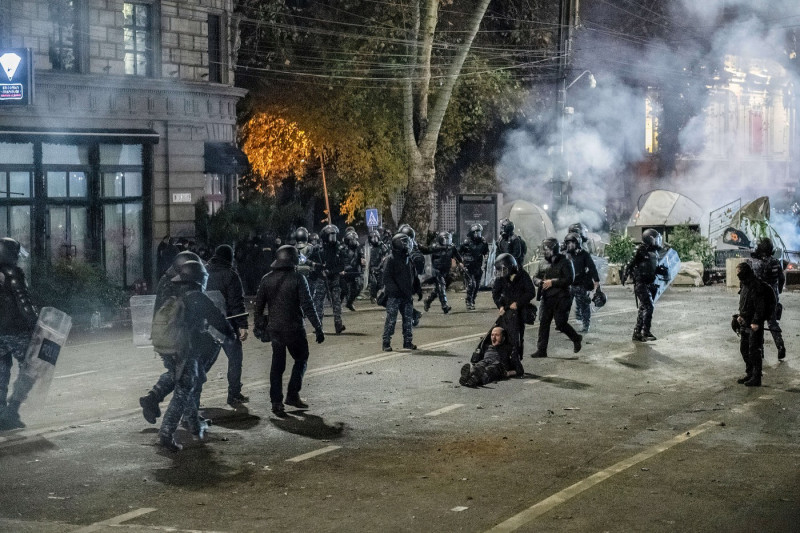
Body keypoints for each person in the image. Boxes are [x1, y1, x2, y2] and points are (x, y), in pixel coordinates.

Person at [157, 260, 235, 451]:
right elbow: (219, 319)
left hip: (169, 350)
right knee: (183, 391)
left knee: (189, 385)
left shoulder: (175, 297)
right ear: (199, 279)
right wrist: (231, 335)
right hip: (186, 351)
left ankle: (194, 423)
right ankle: (166, 433)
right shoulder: (199, 298)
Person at [253, 245, 325, 417]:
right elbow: (308, 305)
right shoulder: (299, 278)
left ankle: (276, 402)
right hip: (294, 329)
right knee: (301, 358)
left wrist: (259, 326)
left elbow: (258, 307)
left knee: (277, 366)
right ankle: (293, 394)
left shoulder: (266, 279)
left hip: (275, 329)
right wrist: (318, 327)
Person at [0, 238, 39, 431]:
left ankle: (1, 413)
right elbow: (23, 303)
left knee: (1, 372)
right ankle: (12, 410)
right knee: (31, 368)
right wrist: (36, 325)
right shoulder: (13, 273)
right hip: (17, 331)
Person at [206, 244, 250, 407]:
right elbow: (236, 303)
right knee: (235, 358)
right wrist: (242, 325)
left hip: (206, 325)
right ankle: (234, 394)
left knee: (204, 363)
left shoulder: (204, 272)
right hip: (226, 326)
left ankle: (191, 395)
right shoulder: (231, 275)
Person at [531, 238, 582, 358]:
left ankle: (576, 338)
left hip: (561, 297)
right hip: (547, 297)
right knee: (544, 323)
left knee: (560, 323)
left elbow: (569, 279)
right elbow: (535, 277)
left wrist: (552, 282)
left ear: (554, 249)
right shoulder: (542, 262)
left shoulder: (565, 261)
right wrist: (539, 282)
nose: (545, 252)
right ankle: (541, 350)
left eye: (547, 249)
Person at [491, 253, 535, 375]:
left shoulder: (522, 275)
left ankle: (517, 363)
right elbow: (495, 293)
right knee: (504, 335)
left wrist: (518, 303)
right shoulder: (501, 278)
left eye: (504, 269)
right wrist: (499, 306)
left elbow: (531, 292)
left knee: (517, 338)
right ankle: (507, 362)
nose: (501, 272)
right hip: (506, 310)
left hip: (519, 311)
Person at [734, 262, 776, 387]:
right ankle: (750, 373)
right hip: (745, 321)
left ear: (744, 271)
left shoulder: (756, 285)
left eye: (739, 271)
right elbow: (744, 302)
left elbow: (760, 306)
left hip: (754, 324)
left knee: (754, 351)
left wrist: (757, 321)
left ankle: (756, 377)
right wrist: (740, 315)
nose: (737, 274)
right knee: (744, 349)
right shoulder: (745, 284)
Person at [623, 229, 664, 342]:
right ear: (650, 238)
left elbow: (652, 268)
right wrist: (625, 275)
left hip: (649, 283)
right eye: (656, 239)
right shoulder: (640, 249)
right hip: (641, 283)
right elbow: (630, 263)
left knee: (643, 308)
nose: (658, 241)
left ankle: (637, 333)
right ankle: (645, 332)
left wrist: (661, 271)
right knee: (648, 306)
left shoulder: (654, 253)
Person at [749, 238, 786, 360]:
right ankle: (780, 346)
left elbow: (753, 281)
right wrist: (778, 291)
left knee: (758, 324)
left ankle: (760, 351)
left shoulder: (757, 263)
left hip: (760, 299)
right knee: (773, 323)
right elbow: (781, 278)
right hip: (773, 298)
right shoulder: (775, 262)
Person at [381, 233, 417, 352]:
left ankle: (408, 342)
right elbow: (386, 278)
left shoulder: (408, 259)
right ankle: (386, 342)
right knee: (391, 320)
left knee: (408, 320)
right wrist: (394, 290)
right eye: (405, 242)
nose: (408, 245)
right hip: (394, 296)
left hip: (406, 296)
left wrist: (417, 288)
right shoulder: (391, 259)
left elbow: (413, 275)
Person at [564, 232, 600, 333]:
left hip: (581, 285)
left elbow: (592, 268)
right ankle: (562, 323)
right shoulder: (566, 255)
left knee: (584, 306)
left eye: (572, 243)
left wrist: (596, 281)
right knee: (564, 305)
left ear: (577, 243)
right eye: (568, 243)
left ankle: (586, 325)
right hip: (568, 285)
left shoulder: (584, 255)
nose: (570, 245)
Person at [315, 224, 346, 334]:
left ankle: (338, 324)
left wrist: (330, 271)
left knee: (336, 302)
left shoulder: (339, 249)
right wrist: (319, 268)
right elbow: (311, 262)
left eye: (334, 235)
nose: (333, 238)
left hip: (334, 278)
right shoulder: (318, 249)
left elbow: (342, 265)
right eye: (330, 235)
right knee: (318, 302)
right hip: (322, 279)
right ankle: (318, 325)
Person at [424, 231, 463, 314]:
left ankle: (428, 300)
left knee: (440, 288)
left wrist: (460, 263)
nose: (447, 241)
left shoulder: (451, 247)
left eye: (448, 239)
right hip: (436, 270)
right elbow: (427, 256)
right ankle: (445, 306)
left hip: (446, 270)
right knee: (441, 286)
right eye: (445, 239)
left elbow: (457, 256)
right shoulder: (435, 247)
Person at [396, 224, 424, 327]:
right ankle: (413, 315)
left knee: (401, 301)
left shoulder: (411, 248)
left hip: (407, 280)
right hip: (403, 279)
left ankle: (413, 316)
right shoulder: (403, 247)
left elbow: (415, 269)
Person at [459, 223, 489, 310]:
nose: (477, 233)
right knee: (471, 284)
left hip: (478, 266)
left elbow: (486, 252)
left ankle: (472, 300)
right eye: (475, 232)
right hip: (468, 266)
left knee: (477, 286)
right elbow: (459, 253)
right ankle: (468, 301)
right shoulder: (466, 242)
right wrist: (461, 263)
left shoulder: (483, 243)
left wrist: (485, 262)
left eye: (479, 231)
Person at [341, 230, 365, 311]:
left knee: (358, 287)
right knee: (343, 290)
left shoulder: (358, 248)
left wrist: (363, 264)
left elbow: (362, 258)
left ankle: (349, 303)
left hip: (355, 271)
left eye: (355, 239)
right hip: (345, 272)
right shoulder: (342, 249)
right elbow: (340, 261)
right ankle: (337, 305)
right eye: (352, 240)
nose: (354, 241)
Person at [367, 230, 389, 303]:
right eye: (372, 238)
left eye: (375, 237)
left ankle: (379, 297)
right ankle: (373, 296)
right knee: (373, 283)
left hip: (380, 268)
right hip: (372, 268)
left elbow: (386, 256)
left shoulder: (382, 246)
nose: (374, 239)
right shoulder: (368, 247)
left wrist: (381, 265)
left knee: (380, 284)